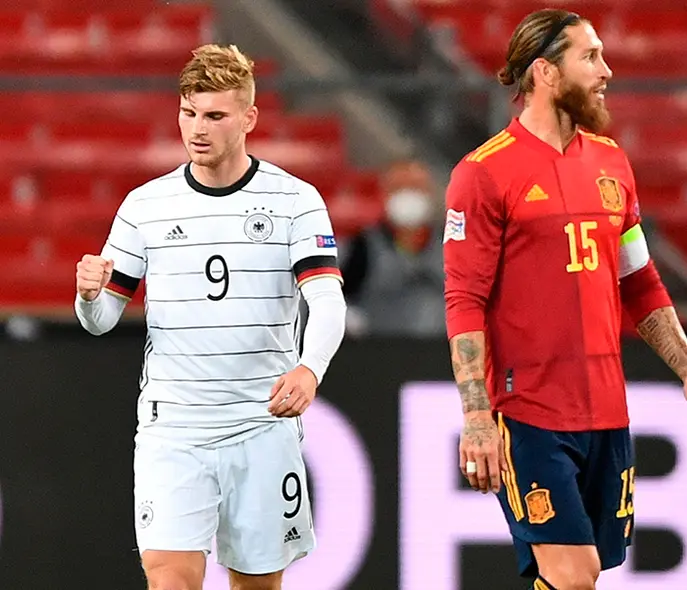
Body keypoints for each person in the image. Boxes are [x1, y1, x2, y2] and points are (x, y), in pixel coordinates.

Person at [442, 10, 687, 590]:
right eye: (590, 57)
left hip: (607, 411)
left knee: (582, 574)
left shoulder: (612, 162)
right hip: (528, 414)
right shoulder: (484, 174)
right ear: (545, 72)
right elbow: (464, 299)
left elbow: (639, 282)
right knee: (574, 575)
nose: (606, 70)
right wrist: (476, 418)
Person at [73, 44, 347, 590]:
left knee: (257, 584)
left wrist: (309, 368)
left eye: (215, 116)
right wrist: (87, 295)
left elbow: (327, 300)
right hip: (173, 429)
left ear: (248, 118)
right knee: (171, 579)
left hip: (260, 427)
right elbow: (102, 320)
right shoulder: (145, 206)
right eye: (188, 112)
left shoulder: (295, 201)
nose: (198, 129)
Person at [340, 157, 446, 337]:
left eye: (416, 187)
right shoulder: (361, 248)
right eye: (399, 188)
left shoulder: (455, 246)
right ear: (384, 194)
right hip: (381, 355)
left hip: (442, 355)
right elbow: (334, 298)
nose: (409, 195)